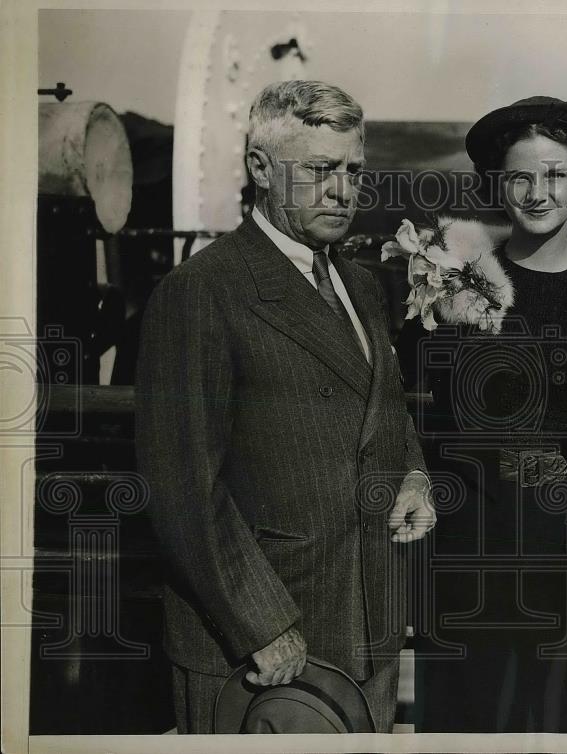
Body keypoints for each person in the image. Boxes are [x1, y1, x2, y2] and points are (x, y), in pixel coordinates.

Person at [134, 80, 435, 734]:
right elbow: (183, 489)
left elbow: (379, 408)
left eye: (353, 170)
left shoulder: (361, 284)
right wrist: (263, 626)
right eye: (320, 170)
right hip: (260, 652)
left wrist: (411, 471)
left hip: (367, 631)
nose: (342, 190)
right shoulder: (200, 293)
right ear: (260, 169)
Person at [395, 96, 567, 732]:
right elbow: (393, 399)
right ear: (497, 187)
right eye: (520, 177)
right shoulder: (454, 279)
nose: (538, 192)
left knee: (557, 724)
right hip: (464, 547)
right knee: (463, 722)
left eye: (556, 174)